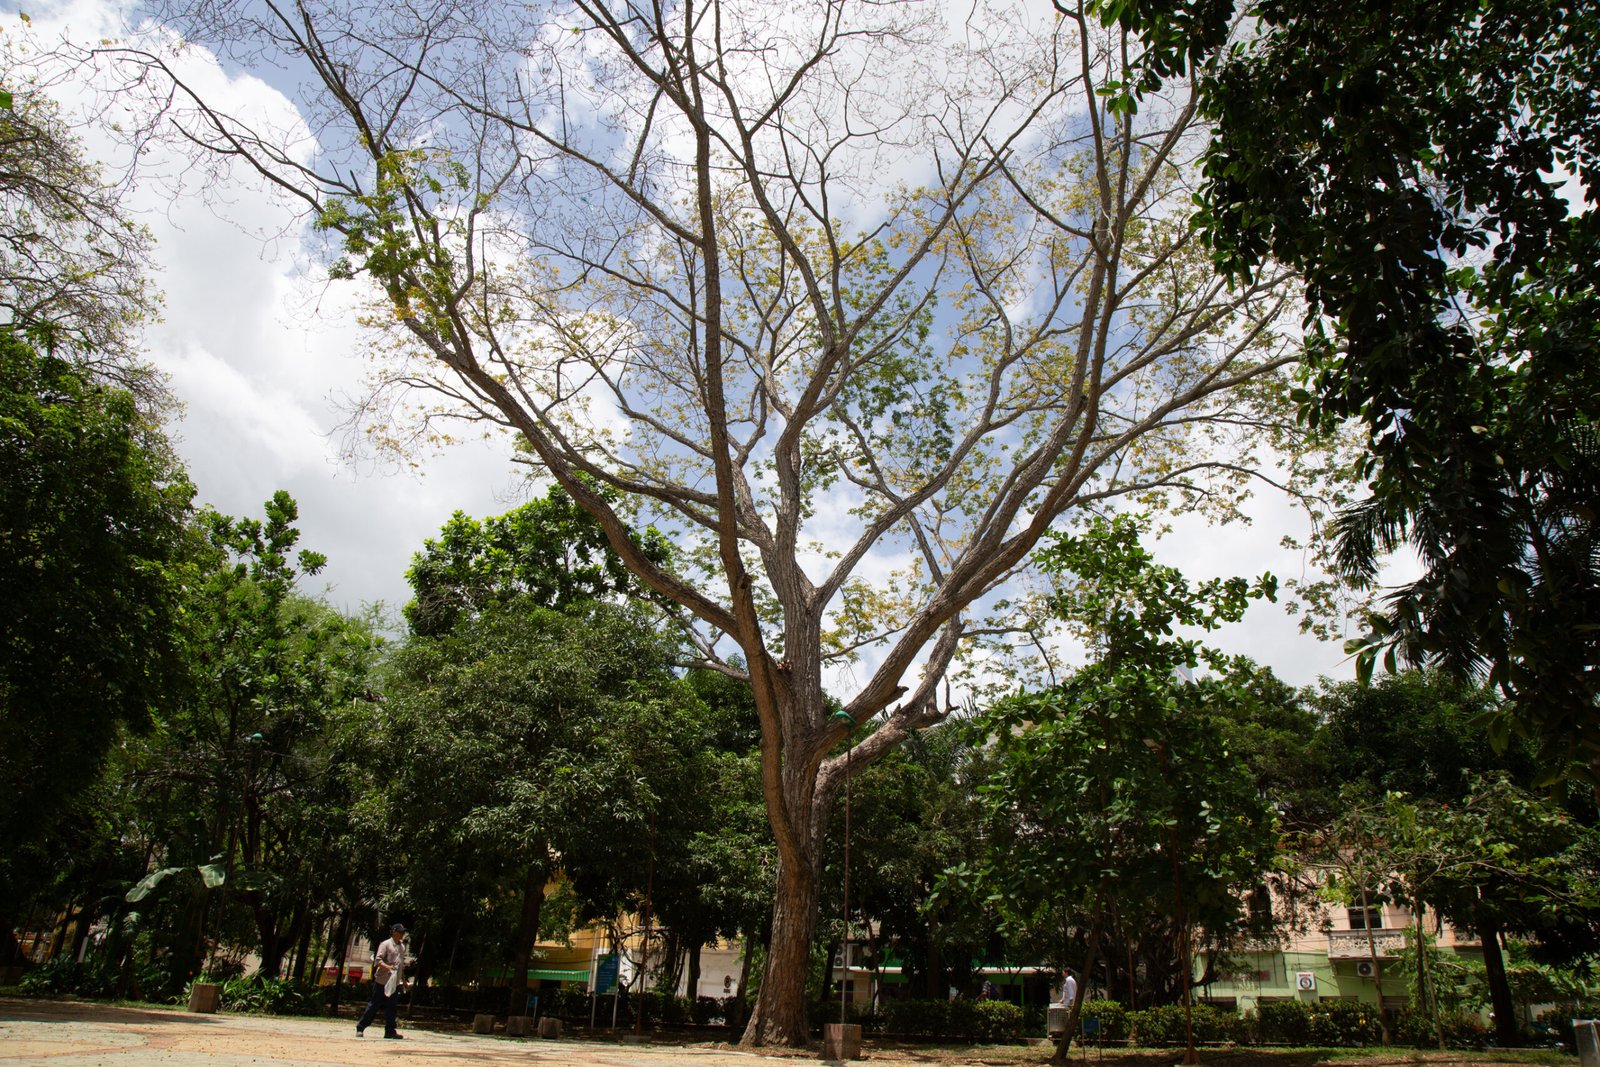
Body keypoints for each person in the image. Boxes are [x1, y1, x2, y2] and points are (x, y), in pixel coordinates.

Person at [357, 923, 408, 1039]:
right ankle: (361, 1027)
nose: (402, 934)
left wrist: (403, 981)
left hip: (394, 982)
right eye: (400, 932)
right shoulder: (385, 944)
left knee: (392, 1007)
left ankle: (390, 1031)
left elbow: (401, 965)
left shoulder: (402, 947)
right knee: (374, 1005)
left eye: (403, 932)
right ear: (394, 932)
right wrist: (388, 967)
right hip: (383, 980)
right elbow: (378, 961)